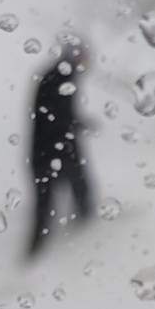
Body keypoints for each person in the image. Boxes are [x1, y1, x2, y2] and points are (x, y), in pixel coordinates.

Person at [27, 36, 97, 256]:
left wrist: (78, 123)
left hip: (47, 148)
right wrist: (74, 126)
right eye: (82, 56)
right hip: (55, 148)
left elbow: (58, 113)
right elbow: (56, 116)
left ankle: (37, 248)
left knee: (50, 199)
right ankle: (37, 251)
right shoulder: (61, 77)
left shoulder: (57, 75)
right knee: (57, 197)